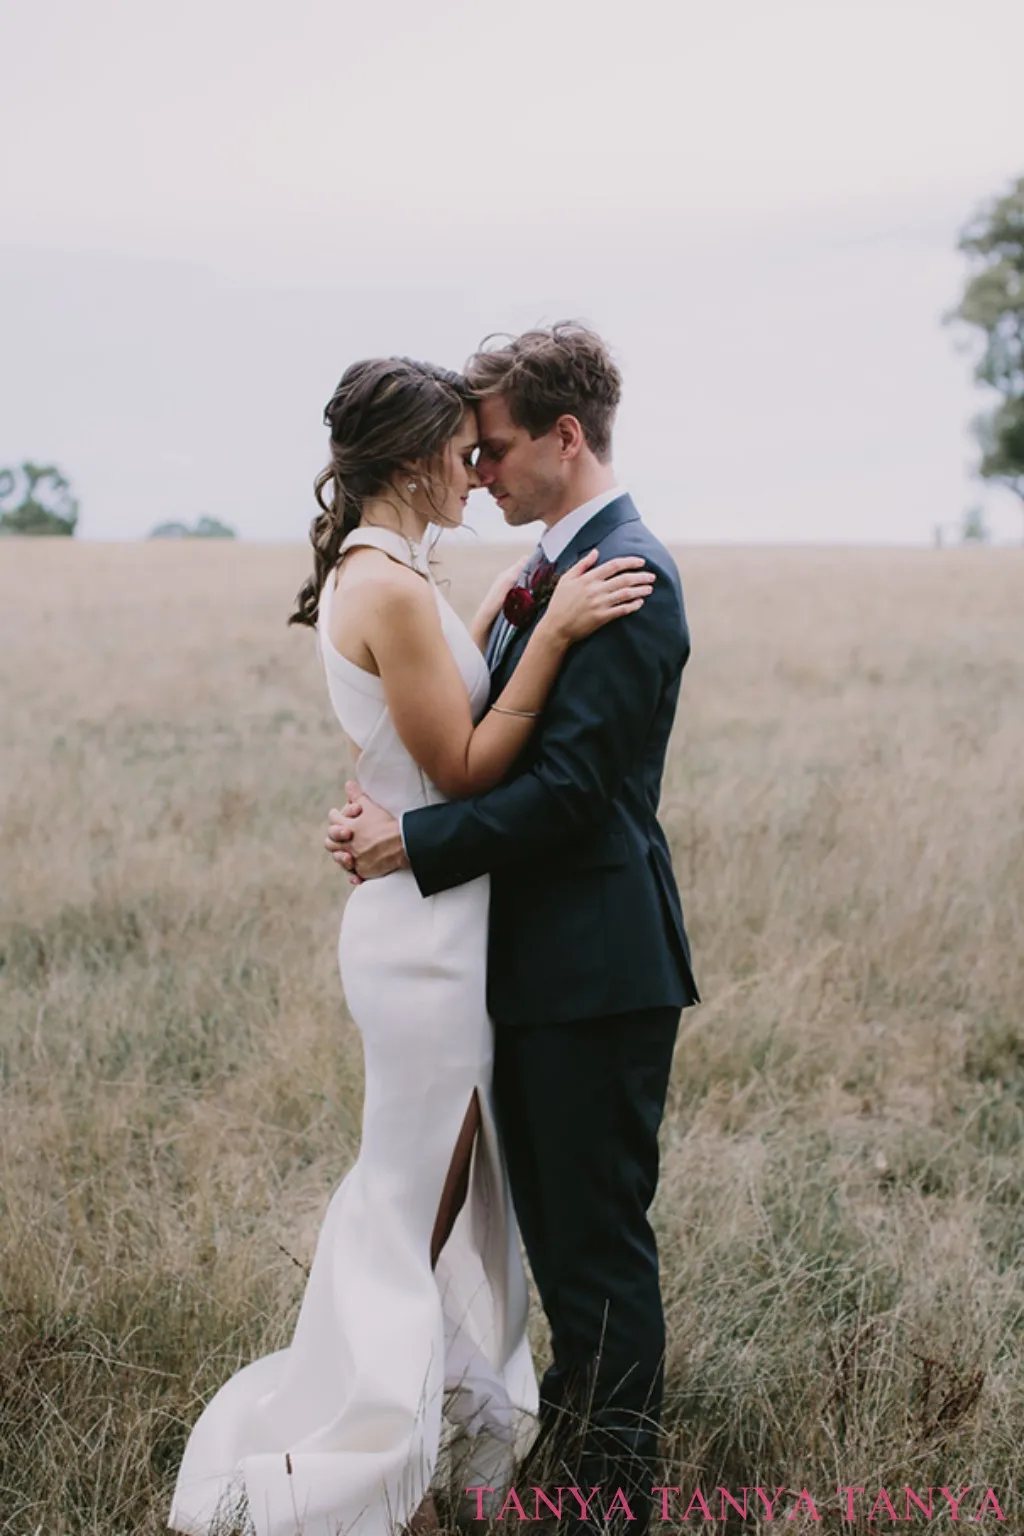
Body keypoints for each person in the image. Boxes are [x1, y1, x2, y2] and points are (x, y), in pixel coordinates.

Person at [168, 355, 655, 1536]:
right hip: (426, 941)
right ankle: (362, 1462)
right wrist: (554, 637)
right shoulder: (385, 582)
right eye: (462, 451)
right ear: (410, 455)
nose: (477, 472)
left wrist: (495, 616)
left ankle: (420, 1424)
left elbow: (426, 702)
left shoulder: (391, 569)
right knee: (412, 1206)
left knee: (429, 1196)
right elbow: (461, 767)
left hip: (433, 922)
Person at [326, 324, 700, 1534]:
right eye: (465, 454)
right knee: (553, 1237)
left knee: (594, 1248)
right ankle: (569, 1472)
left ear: (565, 437)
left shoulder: (625, 574)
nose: (476, 472)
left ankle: (608, 1495)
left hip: (595, 967)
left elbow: (573, 793)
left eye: (493, 451)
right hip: (527, 968)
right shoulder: (553, 567)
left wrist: (411, 843)